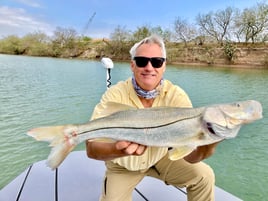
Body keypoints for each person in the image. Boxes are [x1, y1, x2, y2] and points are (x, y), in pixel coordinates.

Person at [86, 35, 220, 201]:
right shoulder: (114, 95)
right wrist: (117, 149)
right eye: (142, 61)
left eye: (156, 62)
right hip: (122, 166)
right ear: (132, 65)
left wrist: (208, 144)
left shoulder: (177, 96)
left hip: (161, 157)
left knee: (204, 176)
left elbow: (189, 156)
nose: (149, 67)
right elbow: (91, 149)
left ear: (164, 66)